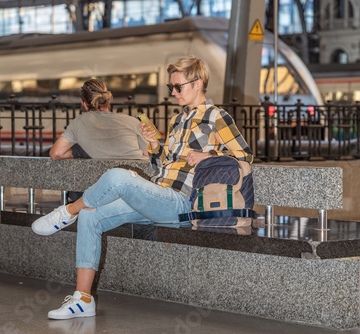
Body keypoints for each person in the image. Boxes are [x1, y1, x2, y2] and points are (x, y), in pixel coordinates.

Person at [31, 56, 253, 320]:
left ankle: (68, 211)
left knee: (117, 177)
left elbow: (244, 156)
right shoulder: (177, 121)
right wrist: (153, 146)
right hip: (160, 195)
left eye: (178, 87)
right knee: (92, 216)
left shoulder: (217, 117)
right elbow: (162, 164)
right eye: (172, 87)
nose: (173, 92)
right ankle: (83, 299)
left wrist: (209, 155)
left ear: (199, 83)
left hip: (184, 204)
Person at [49, 78, 148, 201]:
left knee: (78, 151)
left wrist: (78, 154)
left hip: (100, 194)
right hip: (136, 189)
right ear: (108, 100)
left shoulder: (79, 122)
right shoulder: (132, 121)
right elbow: (149, 154)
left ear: (83, 103)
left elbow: (56, 153)